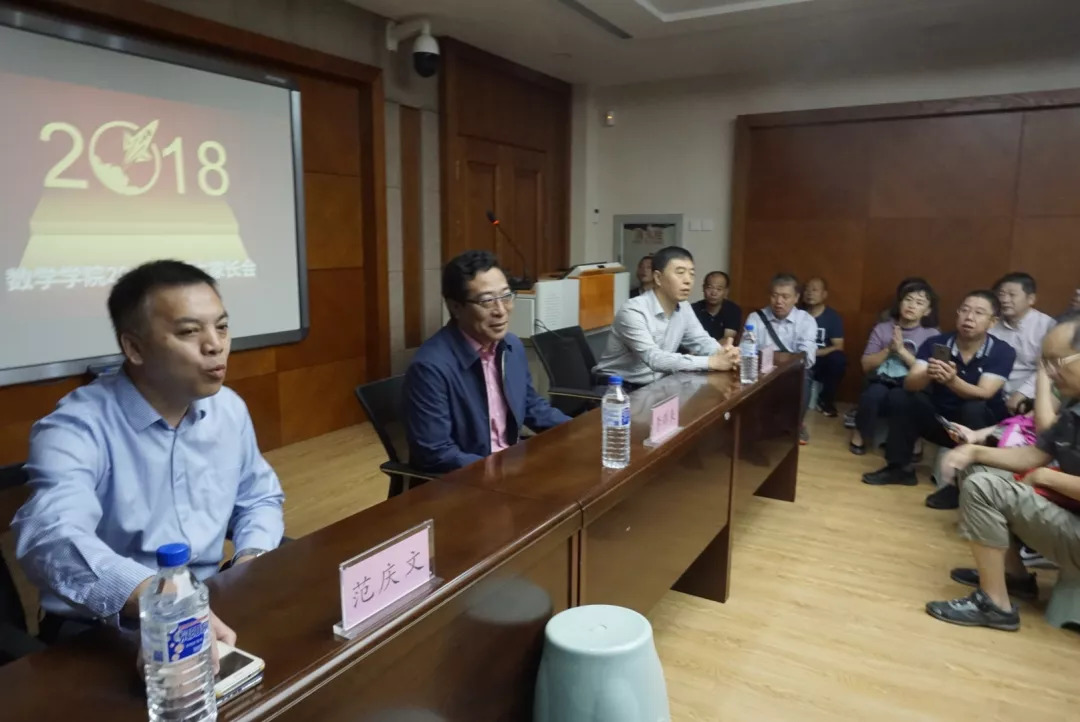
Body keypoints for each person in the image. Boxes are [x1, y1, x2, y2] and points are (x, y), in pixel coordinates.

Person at [12, 260, 283, 661]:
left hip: (213, 602)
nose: (215, 345)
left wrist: (250, 561)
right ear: (134, 348)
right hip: (103, 628)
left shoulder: (228, 410)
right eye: (189, 331)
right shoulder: (75, 427)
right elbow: (49, 536)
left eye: (222, 327)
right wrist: (157, 597)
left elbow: (258, 498)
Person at [925, 316, 1080, 632]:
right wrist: (974, 451)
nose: (1049, 372)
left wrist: (1046, 478)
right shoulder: (1073, 401)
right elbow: (1036, 454)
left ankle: (995, 605)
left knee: (985, 486)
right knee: (979, 469)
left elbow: (1039, 467)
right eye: (1045, 363)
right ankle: (1015, 577)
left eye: (1057, 362)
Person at [405, 250, 570, 473]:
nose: (501, 311)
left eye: (506, 296)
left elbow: (531, 406)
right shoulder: (430, 368)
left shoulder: (511, 346)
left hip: (510, 464)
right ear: (455, 307)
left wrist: (580, 429)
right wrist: (497, 470)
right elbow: (436, 453)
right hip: (470, 480)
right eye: (487, 301)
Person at [862, 290, 1016, 510]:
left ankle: (959, 486)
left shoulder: (1002, 351)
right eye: (965, 310)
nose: (969, 317)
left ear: (992, 322)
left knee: (974, 407)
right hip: (943, 421)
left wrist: (952, 381)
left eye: (979, 313)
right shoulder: (937, 343)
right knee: (901, 396)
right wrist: (929, 373)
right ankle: (899, 468)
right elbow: (910, 383)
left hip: (980, 429)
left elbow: (985, 393)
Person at [593, 246, 739, 390]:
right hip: (617, 388)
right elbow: (655, 359)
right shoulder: (633, 310)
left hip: (656, 386)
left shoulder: (684, 308)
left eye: (692, 274)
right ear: (658, 278)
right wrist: (711, 362)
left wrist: (725, 354)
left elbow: (701, 341)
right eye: (680, 273)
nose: (688, 280)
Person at [849, 280, 940, 455]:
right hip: (882, 379)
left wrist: (901, 351)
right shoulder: (882, 328)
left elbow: (929, 372)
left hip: (912, 382)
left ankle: (912, 439)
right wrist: (888, 349)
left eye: (919, 302)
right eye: (908, 299)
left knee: (900, 398)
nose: (912, 306)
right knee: (872, 395)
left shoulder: (932, 334)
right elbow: (865, 365)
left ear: (927, 311)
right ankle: (860, 433)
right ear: (900, 303)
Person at [744, 273, 818, 443]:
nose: (779, 302)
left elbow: (807, 358)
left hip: (792, 373)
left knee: (804, 377)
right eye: (774, 295)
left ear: (796, 298)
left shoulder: (806, 321)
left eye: (785, 297)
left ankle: (795, 425)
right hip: (762, 372)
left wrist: (779, 361)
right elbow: (746, 352)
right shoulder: (755, 318)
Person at [992, 272, 1056, 415]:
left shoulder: (1047, 326)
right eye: (1001, 294)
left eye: (1012, 295)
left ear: (1031, 299)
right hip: (992, 393)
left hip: (1029, 398)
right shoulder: (992, 323)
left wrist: (1023, 392)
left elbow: (1049, 367)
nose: (1004, 300)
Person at [802, 277, 846, 417]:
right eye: (807, 289)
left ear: (824, 294)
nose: (809, 293)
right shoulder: (797, 314)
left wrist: (815, 352)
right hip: (799, 358)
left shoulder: (832, 317)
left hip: (821, 359)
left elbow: (839, 346)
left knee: (838, 359)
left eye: (814, 290)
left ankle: (826, 400)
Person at [691, 271, 741, 342]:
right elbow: (690, 338)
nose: (713, 293)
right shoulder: (692, 309)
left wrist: (709, 348)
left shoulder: (733, 310)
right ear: (703, 288)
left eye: (719, 289)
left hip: (721, 348)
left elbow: (727, 339)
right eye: (709, 287)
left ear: (726, 291)